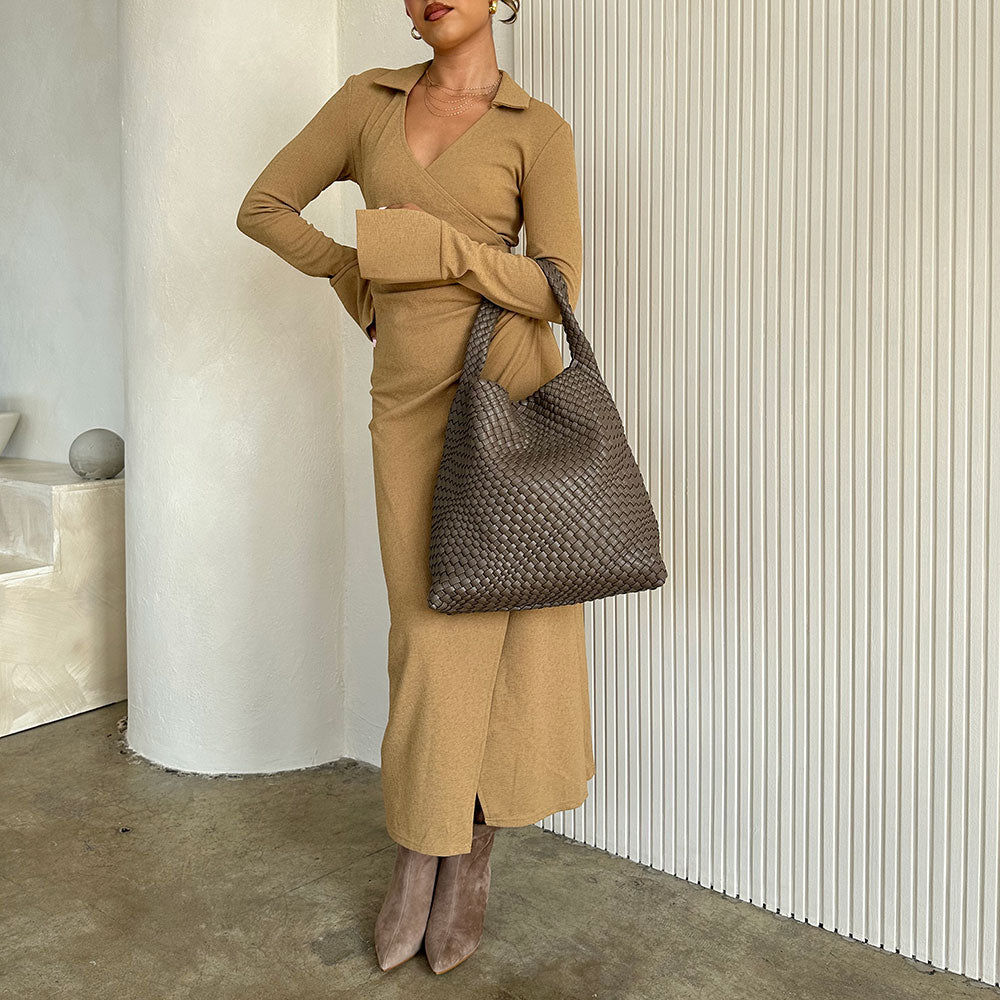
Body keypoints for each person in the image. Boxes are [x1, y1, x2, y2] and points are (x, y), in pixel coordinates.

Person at [236, 0, 594, 976]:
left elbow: (558, 287)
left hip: (508, 391)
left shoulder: (537, 128)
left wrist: (432, 251)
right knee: (427, 624)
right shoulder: (366, 102)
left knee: (509, 633)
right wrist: (364, 282)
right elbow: (261, 206)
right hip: (408, 400)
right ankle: (420, 843)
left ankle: (467, 850)